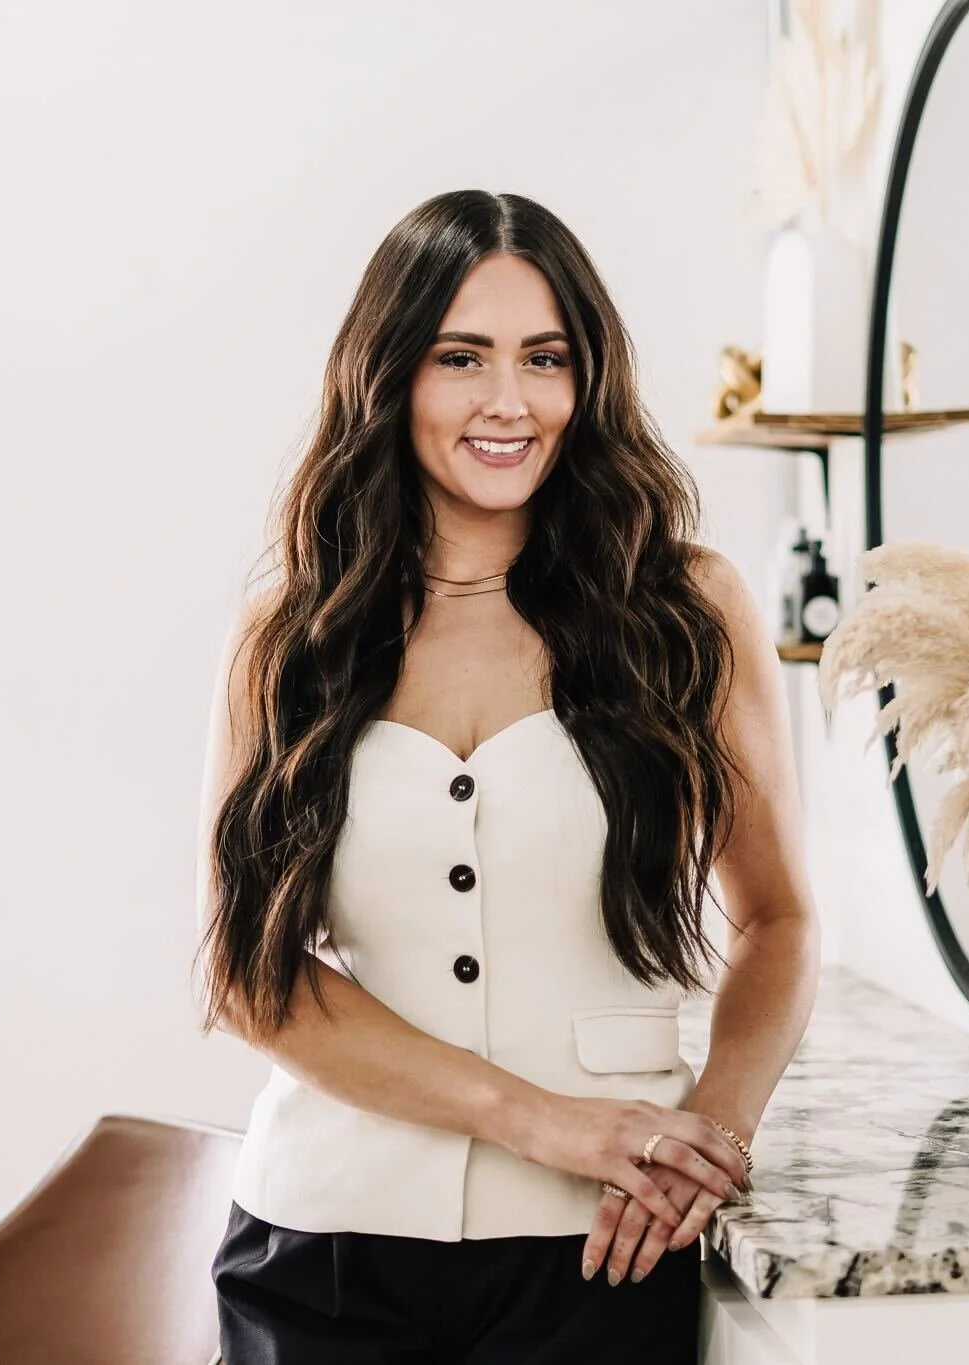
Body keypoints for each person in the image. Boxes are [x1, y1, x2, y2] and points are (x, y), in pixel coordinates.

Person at [194, 189, 820, 1364]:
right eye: (459, 357)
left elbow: (776, 918)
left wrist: (712, 1136)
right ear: (389, 377)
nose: (508, 402)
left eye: (545, 359)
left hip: (597, 1255)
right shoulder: (289, 629)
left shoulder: (686, 609)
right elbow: (248, 970)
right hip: (324, 1251)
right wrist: (539, 1122)